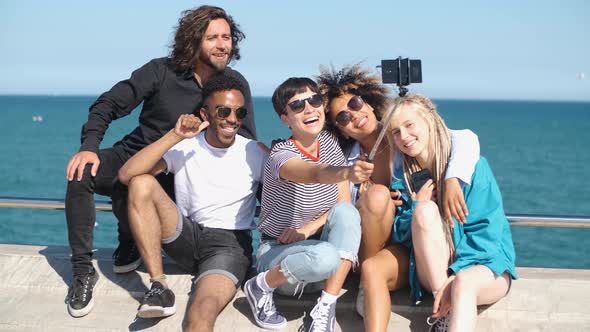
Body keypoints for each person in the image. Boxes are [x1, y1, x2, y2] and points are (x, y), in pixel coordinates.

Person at [64, 6, 256, 318]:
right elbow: (109, 103)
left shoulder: (233, 83)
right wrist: (89, 146)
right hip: (136, 155)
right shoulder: (161, 71)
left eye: (227, 37)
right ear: (193, 41)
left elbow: (244, 140)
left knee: (142, 188)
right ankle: (83, 272)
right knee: (82, 172)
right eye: (213, 38)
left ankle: (132, 239)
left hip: (175, 172)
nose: (223, 44)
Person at [317, 64, 481, 331]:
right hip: (368, 248)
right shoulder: (346, 160)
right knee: (377, 196)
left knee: (381, 197)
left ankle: (375, 280)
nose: (354, 115)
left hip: (407, 243)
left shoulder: (400, 134)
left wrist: (452, 179)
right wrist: (363, 200)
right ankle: (365, 285)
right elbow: (341, 211)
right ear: (341, 130)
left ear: (369, 103)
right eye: (343, 118)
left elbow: (465, 139)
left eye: (356, 103)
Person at [117, 75, 266, 331]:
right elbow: (127, 174)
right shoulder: (185, 146)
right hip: (186, 235)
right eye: (224, 111)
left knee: (202, 311)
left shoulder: (254, 151)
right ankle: (159, 286)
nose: (233, 119)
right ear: (205, 113)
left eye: (239, 112)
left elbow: (290, 189)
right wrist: (174, 136)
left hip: (228, 246)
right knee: (142, 183)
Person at [244, 77, 374, 332]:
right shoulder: (282, 155)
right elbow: (313, 173)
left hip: (322, 264)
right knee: (326, 256)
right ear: (285, 119)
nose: (308, 109)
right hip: (280, 259)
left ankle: (325, 306)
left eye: (314, 100)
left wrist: (308, 228)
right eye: (297, 106)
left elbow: (342, 204)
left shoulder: (328, 143)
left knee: (347, 213)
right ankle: (259, 286)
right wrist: (347, 172)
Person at [385, 94, 517, 332]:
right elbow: (403, 238)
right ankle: (443, 306)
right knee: (424, 211)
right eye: (396, 132)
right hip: (433, 275)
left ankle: (445, 315)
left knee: (463, 284)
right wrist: (416, 206)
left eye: (409, 125)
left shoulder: (473, 168)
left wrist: (456, 273)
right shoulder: (402, 177)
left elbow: (487, 234)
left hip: (485, 267)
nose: (404, 137)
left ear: (429, 120)